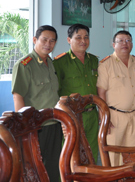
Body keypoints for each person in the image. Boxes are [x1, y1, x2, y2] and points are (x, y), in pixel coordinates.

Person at [11, 25, 62, 181]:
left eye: (52, 41)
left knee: (53, 165)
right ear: (35, 40)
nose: (48, 44)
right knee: (34, 167)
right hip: (36, 126)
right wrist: (24, 126)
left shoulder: (51, 63)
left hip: (54, 123)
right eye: (44, 39)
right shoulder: (24, 65)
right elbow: (18, 95)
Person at [54, 23, 99, 161]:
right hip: (72, 116)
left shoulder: (94, 60)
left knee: (91, 154)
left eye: (86, 37)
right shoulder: (60, 62)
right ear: (69, 40)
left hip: (92, 115)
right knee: (71, 156)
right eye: (78, 37)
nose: (83, 41)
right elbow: (56, 92)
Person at [97, 30, 135, 166]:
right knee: (113, 156)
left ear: (132, 44)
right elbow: (101, 93)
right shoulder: (106, 64)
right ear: (113, 44)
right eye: (120, 41)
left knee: (134, 156)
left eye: (128, 40)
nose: (125, 44)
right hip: (114, 117)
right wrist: (105, 117)